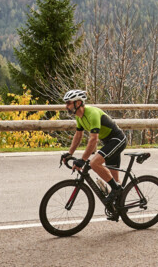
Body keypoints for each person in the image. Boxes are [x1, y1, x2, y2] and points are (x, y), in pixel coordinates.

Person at [60, 89, 128, 220]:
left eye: (68, 103)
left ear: (78, 103)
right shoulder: (79, 116)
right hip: (108, 142)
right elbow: (78, 136)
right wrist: (69, 153)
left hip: (118, 139)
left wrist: (82, 159)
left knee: (94, 163)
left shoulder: (92, 113)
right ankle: (118, 209)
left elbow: (93, 139)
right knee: (114, 180)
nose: (66, 106)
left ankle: (116, 190)